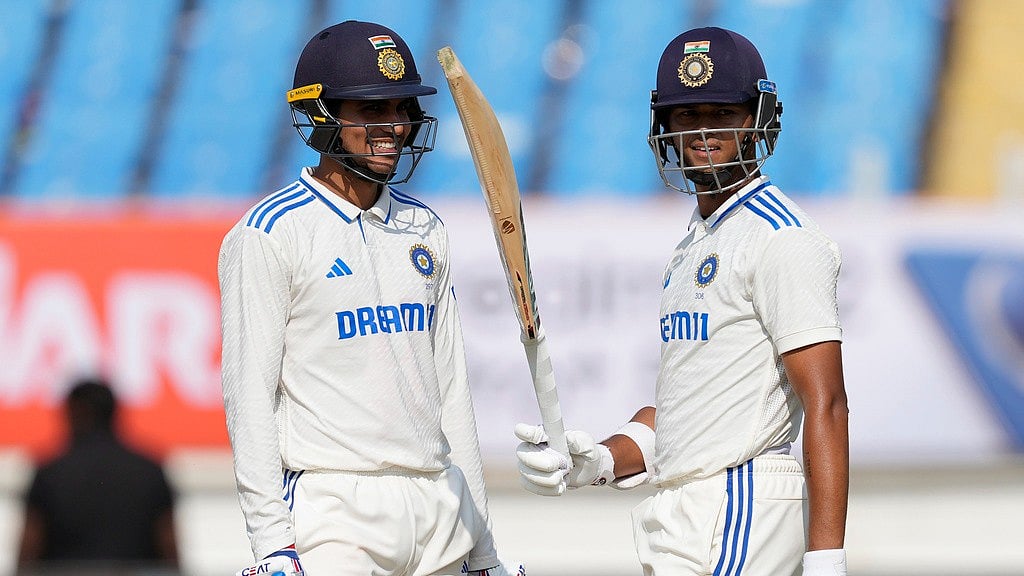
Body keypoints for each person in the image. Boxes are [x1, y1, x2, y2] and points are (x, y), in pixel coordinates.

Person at [515, 26, 849, 576]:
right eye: (685, 115)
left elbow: (827, 404)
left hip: (740, 503)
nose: (701, 131)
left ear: (756, 119)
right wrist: (599, 460)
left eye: (721, 112)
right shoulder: (697, 241)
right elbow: (684, 410)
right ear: (662, 127)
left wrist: (826, 558)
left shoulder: (782, 238)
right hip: (684, 510)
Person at [218, 20, 517, 576]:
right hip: (333, 512)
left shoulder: (424, 227)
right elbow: (248, 396)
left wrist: (485, 550)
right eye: (370, 109)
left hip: (438, 506)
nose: (394, 127)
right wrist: (271, 544)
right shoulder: (269, 233)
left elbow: (450, 392)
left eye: (401, 109)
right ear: (321, 114)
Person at [18, 378, 178, 569]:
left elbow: (29, 550)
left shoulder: (50, 473)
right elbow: (169, 549)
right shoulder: (149, 471)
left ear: (75, 412)